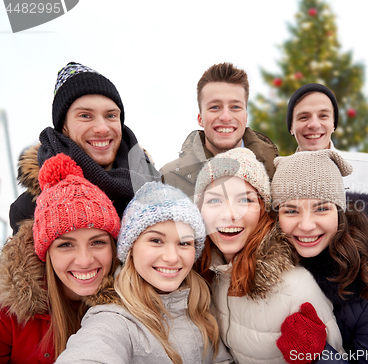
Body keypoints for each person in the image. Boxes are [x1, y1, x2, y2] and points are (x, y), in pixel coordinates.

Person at [194, 148, 343, 364]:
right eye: (215, 201)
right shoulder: (209, 276)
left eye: (245, 200)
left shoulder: (296, 287)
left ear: (263, 210)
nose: (229, 214)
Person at [55, 181, 232, 363]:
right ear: (131, 248)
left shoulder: (201, 305)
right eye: (156, 240)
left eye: (184, 243)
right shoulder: (114, 319)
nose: (172, 257)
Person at [271, 150, 368, 364]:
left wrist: (318, 355)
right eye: (291, 211)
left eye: (321, 209)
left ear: (339, 212)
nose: (306, 225)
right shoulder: (268, 262)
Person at [9, 62, 159, 235]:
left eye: (111, 115)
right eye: (85, 116)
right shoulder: (30, 209)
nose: (102, 128)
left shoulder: (158, 190)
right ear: (64, 126)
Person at [0, 153, 121, 363]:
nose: (84, 260)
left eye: (97, 242)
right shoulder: (9, 314)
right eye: (66, 245)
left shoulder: (136, 304)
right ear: (46, 253)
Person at [286, 83, 368, 236]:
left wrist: (359, 254)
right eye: (303, 117)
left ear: (333, 124)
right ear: (291, 127)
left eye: (323, 116)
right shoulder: (276, 174)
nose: (313, 124)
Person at [160, 62, 279, 198]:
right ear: (200, 119)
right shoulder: (168, 179)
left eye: (235, 107)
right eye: (215, 107)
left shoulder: (276, 170)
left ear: (245, 117)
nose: (225, 117)